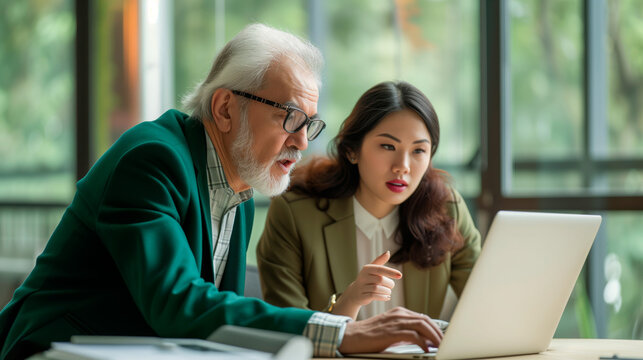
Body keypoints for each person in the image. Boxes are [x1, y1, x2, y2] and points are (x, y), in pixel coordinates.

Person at [0, 25, 444, 360]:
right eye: (290, 117)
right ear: (226, 108)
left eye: (309, 123)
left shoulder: (240, 190)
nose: (302, 141)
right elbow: (179, 304)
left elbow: (212, 324)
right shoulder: (152, 159)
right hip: (53, 352)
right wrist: (341, 332)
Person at [257, 81, 481, 321]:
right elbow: (288, 326)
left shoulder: (447, 208)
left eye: (418, 151)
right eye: (387, 146)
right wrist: (349, 302)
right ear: (352, 151)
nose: (402, 167)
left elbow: (488, 299)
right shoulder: (294, 212)